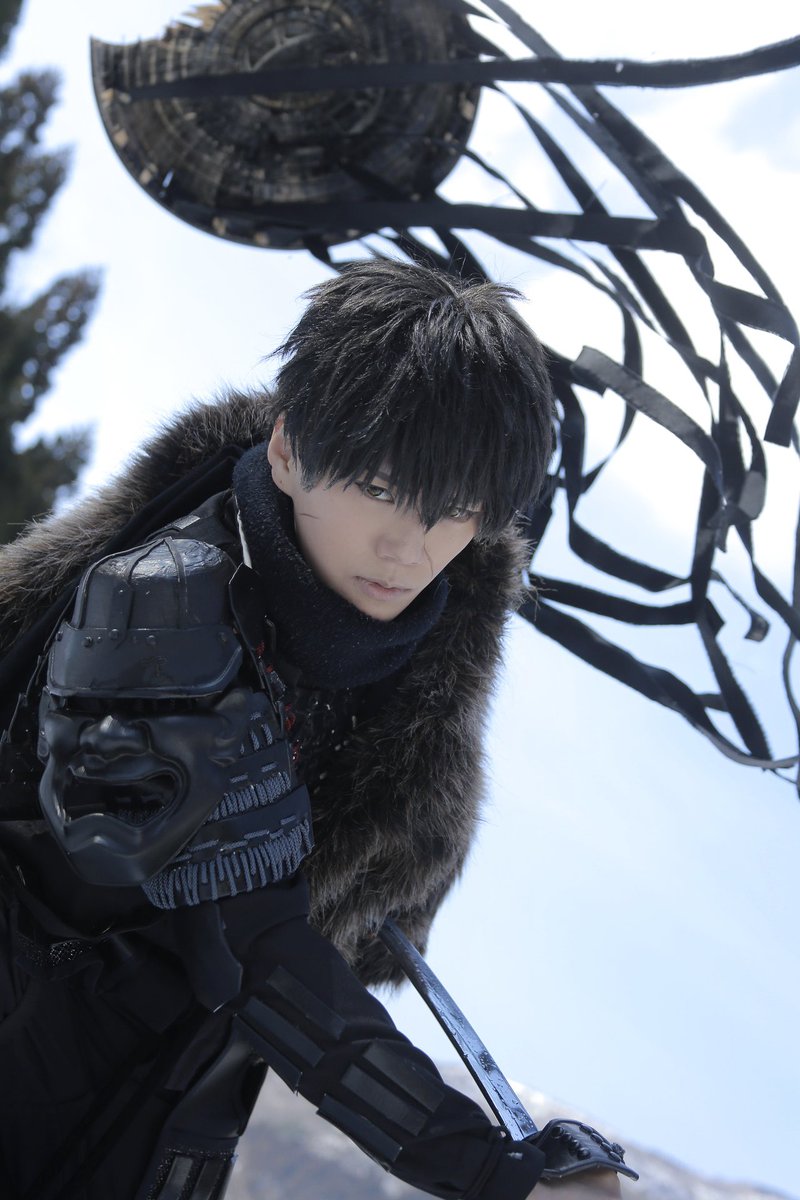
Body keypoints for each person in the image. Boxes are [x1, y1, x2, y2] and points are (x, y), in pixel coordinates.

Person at [0, 260, 635, 1199]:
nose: (408, 548)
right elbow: (255, 949)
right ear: (289, 449)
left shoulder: (407, 679)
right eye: (379, 486)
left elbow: (336, 935)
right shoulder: (157, 605)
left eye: (455, 511)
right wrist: (492, 1174)